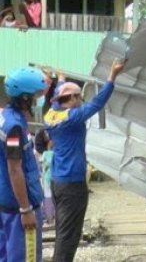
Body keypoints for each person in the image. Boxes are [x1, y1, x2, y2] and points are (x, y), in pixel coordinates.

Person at [44, 58, 126, 262]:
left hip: (57, 180)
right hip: (72, 183)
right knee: (69, 235)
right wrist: (112, 77)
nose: (81, 100)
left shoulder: (51, 115)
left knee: (63, 228)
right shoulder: (72, 118)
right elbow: (97, 104)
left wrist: (61, 80)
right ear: (71, 98)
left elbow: (60, 95)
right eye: (79, 97)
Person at [0, 66, 48, 262]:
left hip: (6, 203)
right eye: (35, 95)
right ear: (25, 97)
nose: (38, 99)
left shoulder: (6, 117)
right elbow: (14, 169)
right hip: (18, 206)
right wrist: (25, 210)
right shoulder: (14, 127)